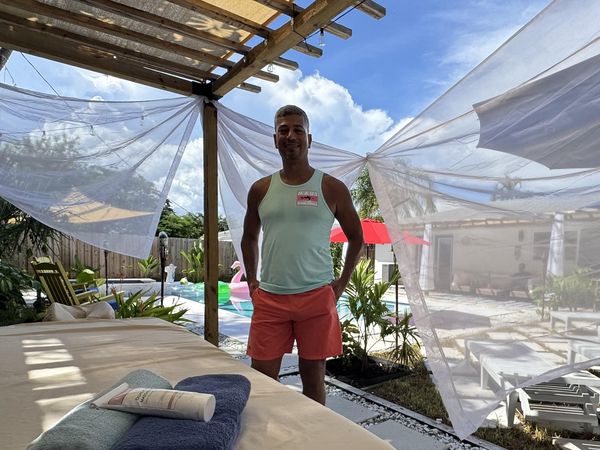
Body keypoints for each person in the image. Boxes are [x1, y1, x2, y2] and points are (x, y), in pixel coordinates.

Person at [241, 105, 363, 405]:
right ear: (275, 139)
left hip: (316, 297)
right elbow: (249, 237)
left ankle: (314, 432)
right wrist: (252, 280)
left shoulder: (332, 188)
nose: (290, 136)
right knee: (262, 379)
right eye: (283, 130)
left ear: (309, 139)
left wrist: (342, 283)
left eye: (298, 130)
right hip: (270, 298)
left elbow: (356, 237)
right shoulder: (261, 189)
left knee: (313, 377)